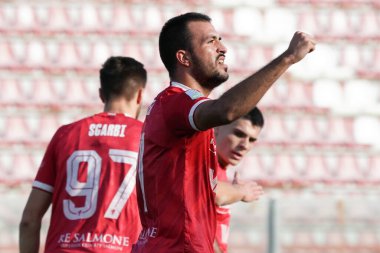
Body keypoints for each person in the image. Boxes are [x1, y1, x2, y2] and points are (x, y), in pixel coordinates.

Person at [133, 12, 315, 253]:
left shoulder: (178, 110)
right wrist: (288, 57)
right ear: (184, 58)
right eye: (211, 41)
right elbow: (226, 110)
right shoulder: (177, 102)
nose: (223, 48)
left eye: (219, 39)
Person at [19, 56, 147, 253]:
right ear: (139, 95)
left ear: (101, 94)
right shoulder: (148, 138)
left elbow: (30, 219)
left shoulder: (65, 135)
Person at [214, 107, 265, 253]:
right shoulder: (203, 162)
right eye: (238, 134)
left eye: (252, 140)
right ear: (216, 128)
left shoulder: (221, 169)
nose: (245, 145)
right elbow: (213, 193)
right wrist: (239, 191)